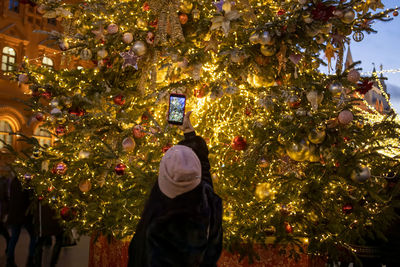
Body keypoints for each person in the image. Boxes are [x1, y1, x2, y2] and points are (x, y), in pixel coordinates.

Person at [128, 111, 223, 267]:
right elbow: (202, 172)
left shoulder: (158, 229)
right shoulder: (206, 200)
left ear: (164, 177)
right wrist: (189, 133)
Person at [6, 177, 36, 267]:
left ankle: (9, 260)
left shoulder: (14, 180)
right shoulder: (27, 181)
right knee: (34, 236)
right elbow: (30, 198)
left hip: (14, 214)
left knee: (14, 237)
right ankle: (30, 260)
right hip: (24, 214)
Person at [33, 201, 64, 267]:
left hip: (42, 218)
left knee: (40, 241)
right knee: (59, 239)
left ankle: (38, 264)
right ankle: (53, 264)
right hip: (55, 217)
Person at [0, 175, 10, 253]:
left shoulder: (3, 183)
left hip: (2, 208)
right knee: (3, 228)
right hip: (2, 208)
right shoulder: (4, 183)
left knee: (2, 228)